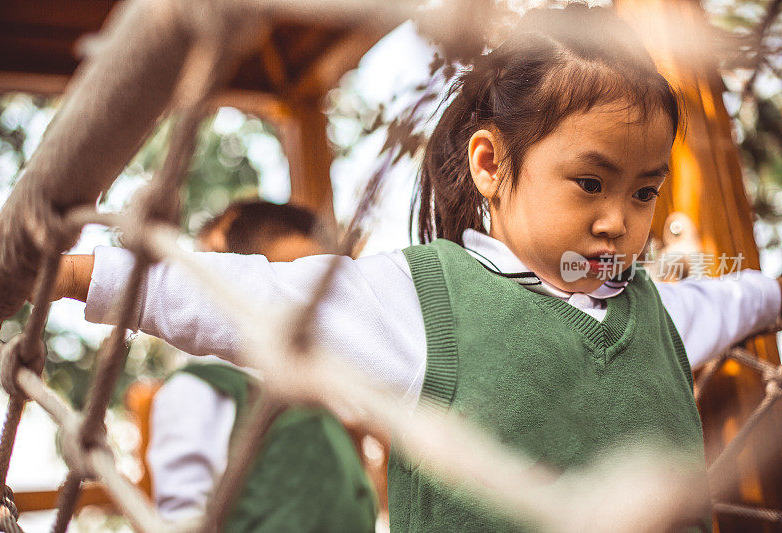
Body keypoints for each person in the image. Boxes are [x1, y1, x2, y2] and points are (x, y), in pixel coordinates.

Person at [50, 4, 782, 531]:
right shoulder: (421, 301)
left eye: (645, 191)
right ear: (492, 163)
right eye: (590, 182)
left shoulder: (651, 308)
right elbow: (242, 294)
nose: (619, 218)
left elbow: (730, 301)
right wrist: (78, 273)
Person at [144, 200, 377, 532]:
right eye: (283, 287)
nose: (305, 310)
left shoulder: (322, 397)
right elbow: (182, 514)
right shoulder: (205, 385)